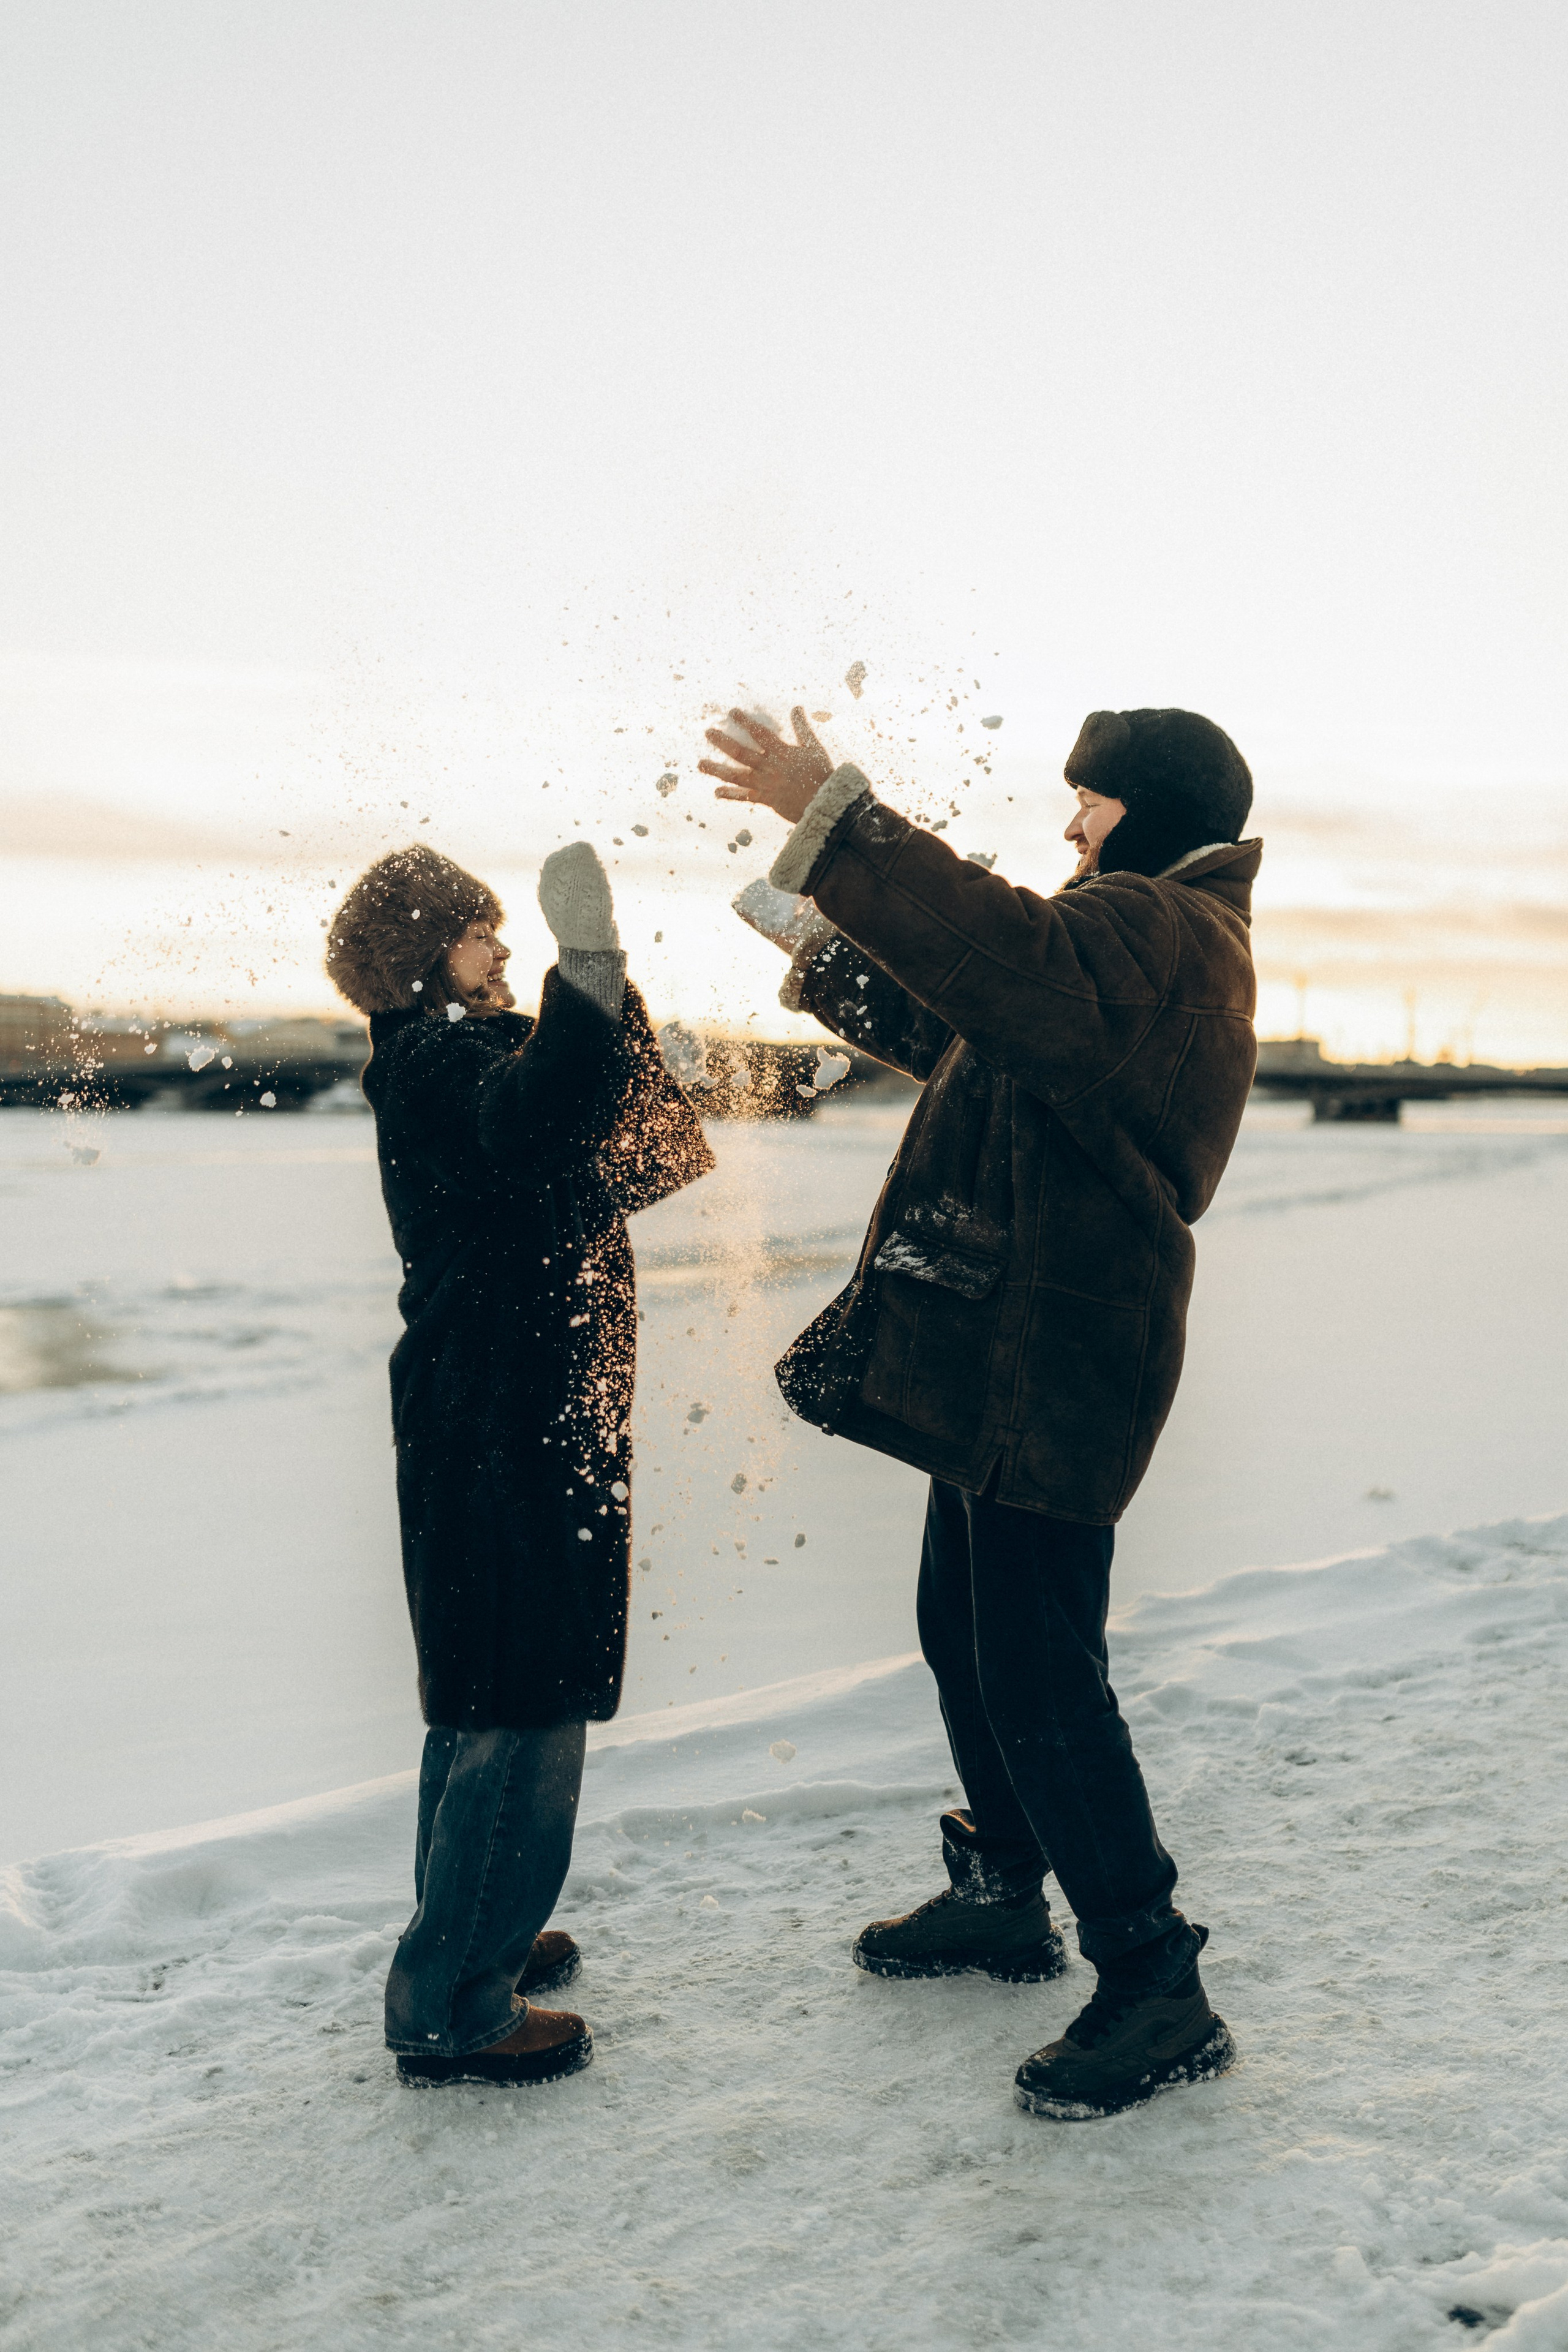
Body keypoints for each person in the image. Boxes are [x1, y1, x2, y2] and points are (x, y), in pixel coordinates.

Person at [705, 703, 1259, 2120]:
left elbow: (1007, 961)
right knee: (962, 1636)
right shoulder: (1129, 943)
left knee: (1036, 1671)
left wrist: (841, 823)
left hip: (1061, 1356)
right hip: (1015, 1342)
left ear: (1144, 808)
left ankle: (1153, 1982)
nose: (1066, 823)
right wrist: (825, 947)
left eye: (1085, 801)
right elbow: (981, 1030)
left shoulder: (1160, 929)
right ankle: (1006, 1891)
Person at [325, 839, 712, 2087]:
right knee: (517, 1689)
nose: (501, 948)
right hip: (494, 1413)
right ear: (422, 951)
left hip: (528, 1407)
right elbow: (540, 1121)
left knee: (493, 1683)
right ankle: (450, 2001)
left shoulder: (473, 1049)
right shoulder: (434, 1062)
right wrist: (586, 971)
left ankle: (477, 1917)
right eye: (481, 931)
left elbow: (644, 1154)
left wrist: (609, 1004)